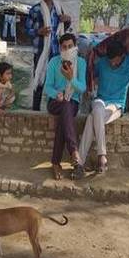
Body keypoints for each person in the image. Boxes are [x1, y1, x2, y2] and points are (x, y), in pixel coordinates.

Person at [78, 35, 129, 174]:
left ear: (122, 56)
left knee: (92, 118)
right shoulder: (102, 62)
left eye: (115, 61)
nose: (112, 64)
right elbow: (89, 73)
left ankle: (79, 163)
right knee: (97, 107)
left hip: (116, 106)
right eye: (110, 61)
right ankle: (102, 156)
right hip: (100, 101)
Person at [25, 0, 72, 111]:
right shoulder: (35, 9)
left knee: (55, 82)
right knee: (39, 80)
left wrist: (68, 20)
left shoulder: (58, 9)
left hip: (56, 52)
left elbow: (63, 29)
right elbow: (27, 30)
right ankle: (35, 110)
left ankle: (52, 109)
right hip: (40, 52)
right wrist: (38, 31)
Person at [44, 33, 86, 180]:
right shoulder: (54, 62)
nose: (67, 49)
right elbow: (47, 87)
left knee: (66, 111)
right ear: (60, 48)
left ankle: (56, 163)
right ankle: (74, 152)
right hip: (55, 102)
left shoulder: (80, 63)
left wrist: (71, 79)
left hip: (72, 102)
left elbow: (82, 88)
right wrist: (56, 94)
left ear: (75, 47)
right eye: (64, 47)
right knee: (64, 107)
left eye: (70, 46)